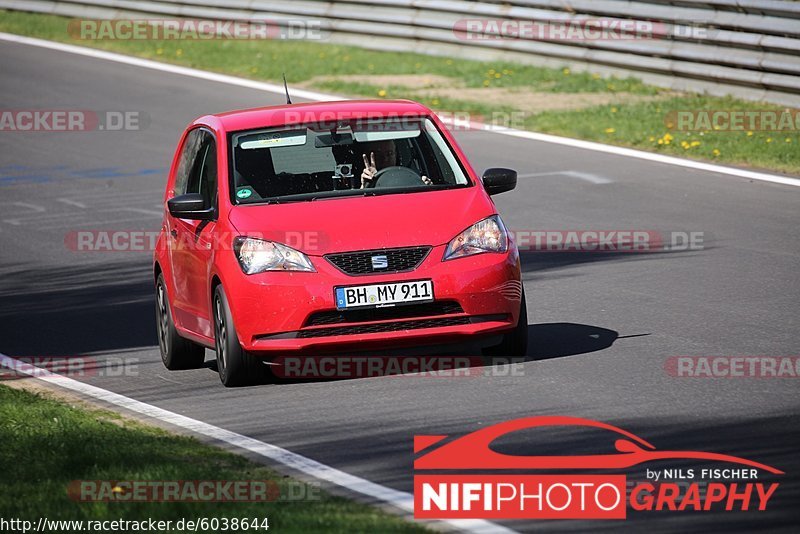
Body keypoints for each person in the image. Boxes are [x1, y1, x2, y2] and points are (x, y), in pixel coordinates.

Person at [360, 140, 432, 188]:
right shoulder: (367, 177)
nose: (385, 159)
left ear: (396, 154)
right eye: (378, 155)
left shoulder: (410, 178)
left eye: (389, 153)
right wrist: (365, 186)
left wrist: (426, 188)